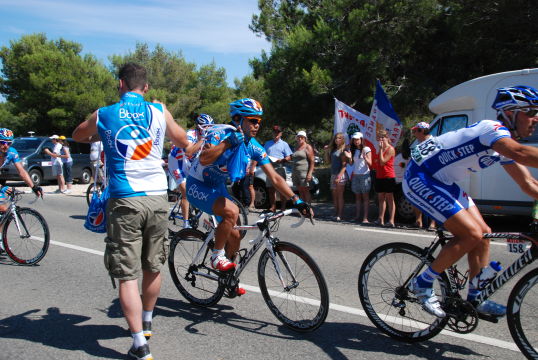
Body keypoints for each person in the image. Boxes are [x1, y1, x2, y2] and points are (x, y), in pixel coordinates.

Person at [72, 62, 188, 360]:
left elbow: (77, 135)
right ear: (146, 87)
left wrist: (102, 136)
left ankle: (139, 344)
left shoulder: (105, 114)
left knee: (127, 275)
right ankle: (147, 322)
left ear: (120, 83)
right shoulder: (159, 111)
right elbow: (183, 141)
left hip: (125, 198)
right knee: (153, 265)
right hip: (157, 197)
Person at [403, 85, 538, 319]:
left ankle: (476, 297)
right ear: (510, 113)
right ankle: (422, 283)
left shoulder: (503, 146)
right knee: (471, 233)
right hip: (421, 177)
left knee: (484, 234)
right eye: (530, 111)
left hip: (441, 181)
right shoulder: (491, 130)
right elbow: (522, 154)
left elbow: (528, 186)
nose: (536, 119)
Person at [186, 98, 313, 284]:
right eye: (252, 120)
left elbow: (275, 178)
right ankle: (216, 256)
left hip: (217, 186)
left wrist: (297, 200)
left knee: (236, 237)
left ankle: (228, 279)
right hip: (198, 185)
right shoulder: (220, 134)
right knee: (232, 211)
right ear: (238, 119)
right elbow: (204, 159)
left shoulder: (253, 146)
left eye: (259, 122)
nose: (257, 125)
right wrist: (227, 144)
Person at [0, 128, 43, 251]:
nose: (5, 145)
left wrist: (34, 187)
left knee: (4, 209)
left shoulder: (12, 152)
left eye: (9, 143)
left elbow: (22, 172)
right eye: (2, 142)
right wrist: (2, 187)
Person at [168, 114, 214, 229]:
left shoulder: (208, 137)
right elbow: (189, 152)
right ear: (199, 128)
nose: (208, 130)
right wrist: (202, 140)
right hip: (176, 163)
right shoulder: (190, 135)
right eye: (205, 127)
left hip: (188, 164)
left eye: (210, 127)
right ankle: (185, 224)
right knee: (186, 193)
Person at [409, 122, 436, 230]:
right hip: (419, 176)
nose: (414, 133)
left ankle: (433, 223)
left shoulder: (434, 142)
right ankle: (418, 220)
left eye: (415, 131)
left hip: (432, 175)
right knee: (416, 198)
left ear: (422, 131)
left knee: (432, 199)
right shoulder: (416, 145)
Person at [264, 125, 292, 212]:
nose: (276, 134)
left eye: (278, 132)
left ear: (281, 134)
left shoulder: (284, 144)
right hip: (270, 168)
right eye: (274, 132)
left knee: (281, 188)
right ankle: (273, 207)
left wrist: (282, 159)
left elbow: (289, 157)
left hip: (280, 167)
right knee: (270, 189)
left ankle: (283, 207)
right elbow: (263, 155)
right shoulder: (267, 143)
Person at [347, 132, 372, 223]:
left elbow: (370, 163)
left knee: (365, 197)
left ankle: (365, 218)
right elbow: (351, 163)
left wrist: (365, 158)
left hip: (365, 175)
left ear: (361, 139)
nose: (356, 141)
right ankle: (357, 216)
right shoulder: (353, 150)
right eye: (354, 140)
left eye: (357, 139)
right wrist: (349, 157)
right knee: (357, 197)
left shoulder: (366, 149)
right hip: (356, 175)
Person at [373, 129, 396, 227]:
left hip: (388, 176)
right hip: (380, 175)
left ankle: (391, 220)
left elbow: (382, 162)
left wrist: (381, 149)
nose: (380, 140)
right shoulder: (381, 148)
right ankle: (380, 219)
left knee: (390, 198)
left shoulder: (390, 149)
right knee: (381, 198)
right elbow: (379, 162)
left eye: (382, 137)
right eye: (379, 137)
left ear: (387, 138)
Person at [326, 132, 348, 221]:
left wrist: (339, 176)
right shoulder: (333, 150)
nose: (337, 140)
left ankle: (340, 214)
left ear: (342, 140)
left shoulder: (343, 150)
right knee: (334, 195)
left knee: (340, 195)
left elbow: (344, 165)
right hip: (333, 174)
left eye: (339, 138)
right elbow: (328, 161)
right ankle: (336, 212)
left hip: (340, 175)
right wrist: (326, 152)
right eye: (336, 138)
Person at [291, 130, 315, 204]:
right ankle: (303, 209)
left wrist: (310, 173)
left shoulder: (308, 147)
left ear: (305, 138)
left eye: (302, 137)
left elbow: (312, 161)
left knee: (306, 190)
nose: (300, 139)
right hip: (295, 171)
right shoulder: (296, 147)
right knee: (300, 191)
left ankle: (309, 208)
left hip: (304, 172)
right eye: (298, 137)